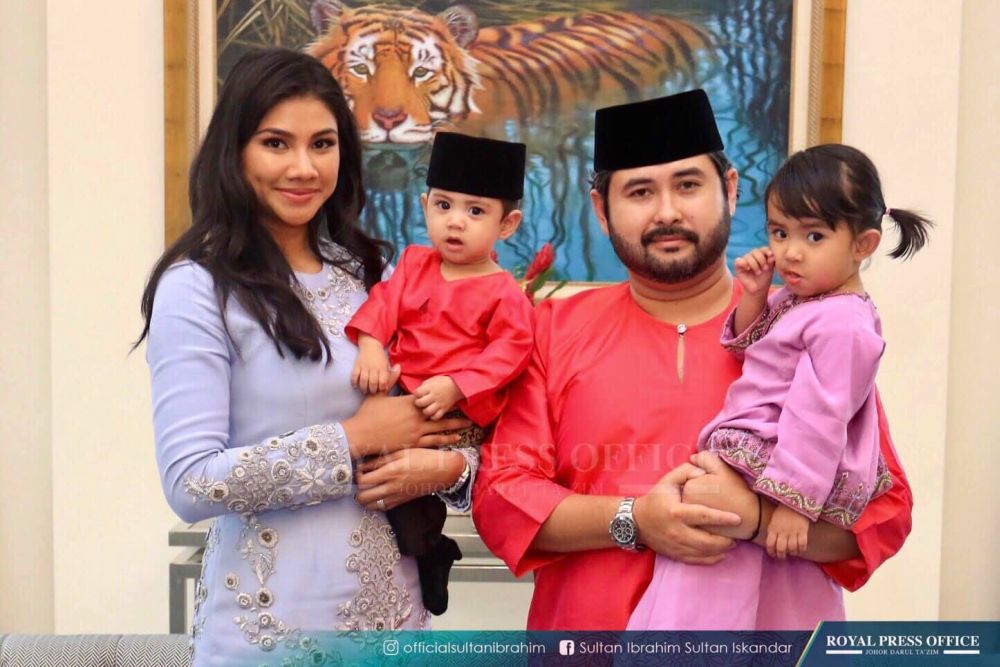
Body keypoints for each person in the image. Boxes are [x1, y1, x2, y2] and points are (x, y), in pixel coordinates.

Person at [472, 90, 913, 630]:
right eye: (639, 191)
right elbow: (503, 497)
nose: (668, 212)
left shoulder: (808, 325)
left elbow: (882, 515)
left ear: (728, 190)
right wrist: (634, 520)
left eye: (687, 185)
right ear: (600, 211)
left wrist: (755, 519)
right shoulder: (550, 330)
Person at [137, 49, 474, 665]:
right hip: (266, 636)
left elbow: (456, 426)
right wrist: (353, 438)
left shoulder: (375, 275)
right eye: (275, 143)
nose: (302, 167)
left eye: (322, 144)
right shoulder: (197, 287)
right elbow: (190, 483)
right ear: (234, 151)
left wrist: (446, 470)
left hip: (398, 626)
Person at [628, 143, 931, 630]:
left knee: (729, 576)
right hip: (758, 453)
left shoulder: (844, 325)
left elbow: (820, 417)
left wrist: (791, 504)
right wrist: (753, 296)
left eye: (814, 235)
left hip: (780, 462)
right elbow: (752, 349)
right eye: (779, 232)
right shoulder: (805, 299)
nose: (790, 252)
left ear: (863, 245)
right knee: (715, 564)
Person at [345, 131, 534, 615]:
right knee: (372, 484)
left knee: (407, 492)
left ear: (506, 223)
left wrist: (457, 385)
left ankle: (430, 551)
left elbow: (511, 351)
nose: (455, 222)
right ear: (425, 204)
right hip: (399, 393)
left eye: (475, 211)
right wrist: (370, 345)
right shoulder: (413, 263)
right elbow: (383, 306)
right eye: (444, 205)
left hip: (450, 411)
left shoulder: (502, 292)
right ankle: (419, 552)